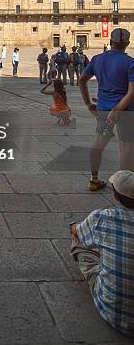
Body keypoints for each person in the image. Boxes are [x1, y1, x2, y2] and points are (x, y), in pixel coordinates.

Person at [69, 171, 134, 338]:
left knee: (81, 241)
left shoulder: (102, 217)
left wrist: (73, 226)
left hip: (116, 314)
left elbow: (76, 231)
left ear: (116, 196)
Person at [79, 28, 134, 191]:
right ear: (127, 44)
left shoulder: (97, 59)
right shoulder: (131, 62)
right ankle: (123, 187)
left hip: (103, 109)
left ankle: (94, 179)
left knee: (98, 143)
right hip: (125, 111)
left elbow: (82, 80)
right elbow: (132, 92)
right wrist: (117, 110)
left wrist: (89, 104)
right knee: (126, 148)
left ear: (110, 42)